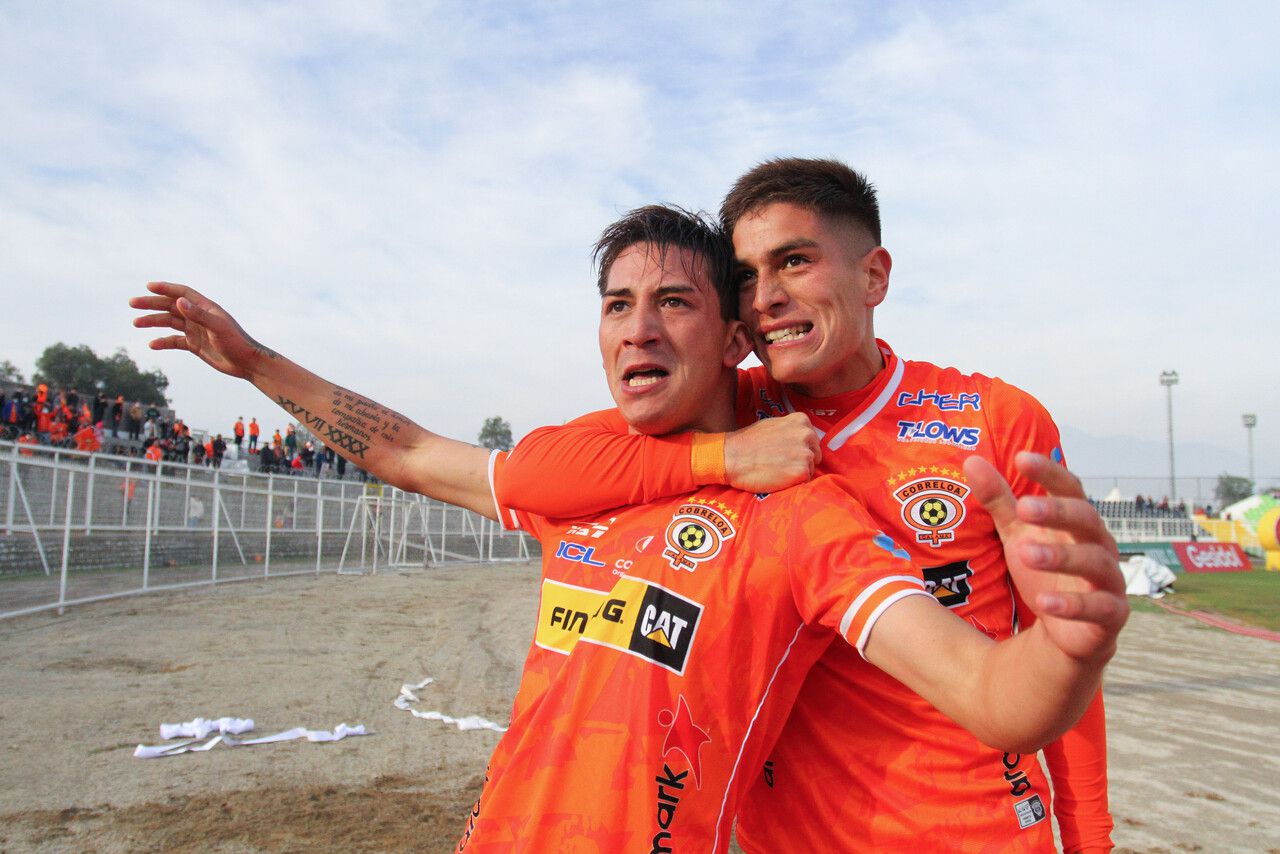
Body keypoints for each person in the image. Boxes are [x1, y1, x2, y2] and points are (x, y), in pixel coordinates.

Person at [130, 205, 1125, 851]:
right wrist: (256, 362)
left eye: (672, 303)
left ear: (733, 338)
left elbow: (990, 695)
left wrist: (1066, 643)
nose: (636, 327)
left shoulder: (800, 513)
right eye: (615, 304)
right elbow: (406, 453)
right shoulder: (585, 470)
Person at [496, 159, 1117, 852]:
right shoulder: (730, 407)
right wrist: (722, 456)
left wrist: (1091, 836)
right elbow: (536, 469)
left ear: (874, 275)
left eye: (793, 262)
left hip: (975, 833)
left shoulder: (996, 421)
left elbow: (1065, 641)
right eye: (746, 277)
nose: (765, 297)